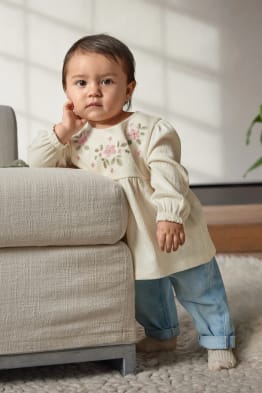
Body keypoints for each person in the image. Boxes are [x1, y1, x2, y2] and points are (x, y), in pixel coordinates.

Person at [28, 33, 237, 370]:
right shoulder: (72, 138)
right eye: (81, 82)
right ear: (68, 92)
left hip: (170, 224)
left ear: (128, 89)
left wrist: (170, 214)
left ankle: (218, 339)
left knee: (198, 283)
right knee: (146, 291)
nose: (93, 90)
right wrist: (62, 130)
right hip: (131, 234)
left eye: (107, 81)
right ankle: (163, 333)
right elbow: (34, 167)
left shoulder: (148, 128)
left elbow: (170, 173)